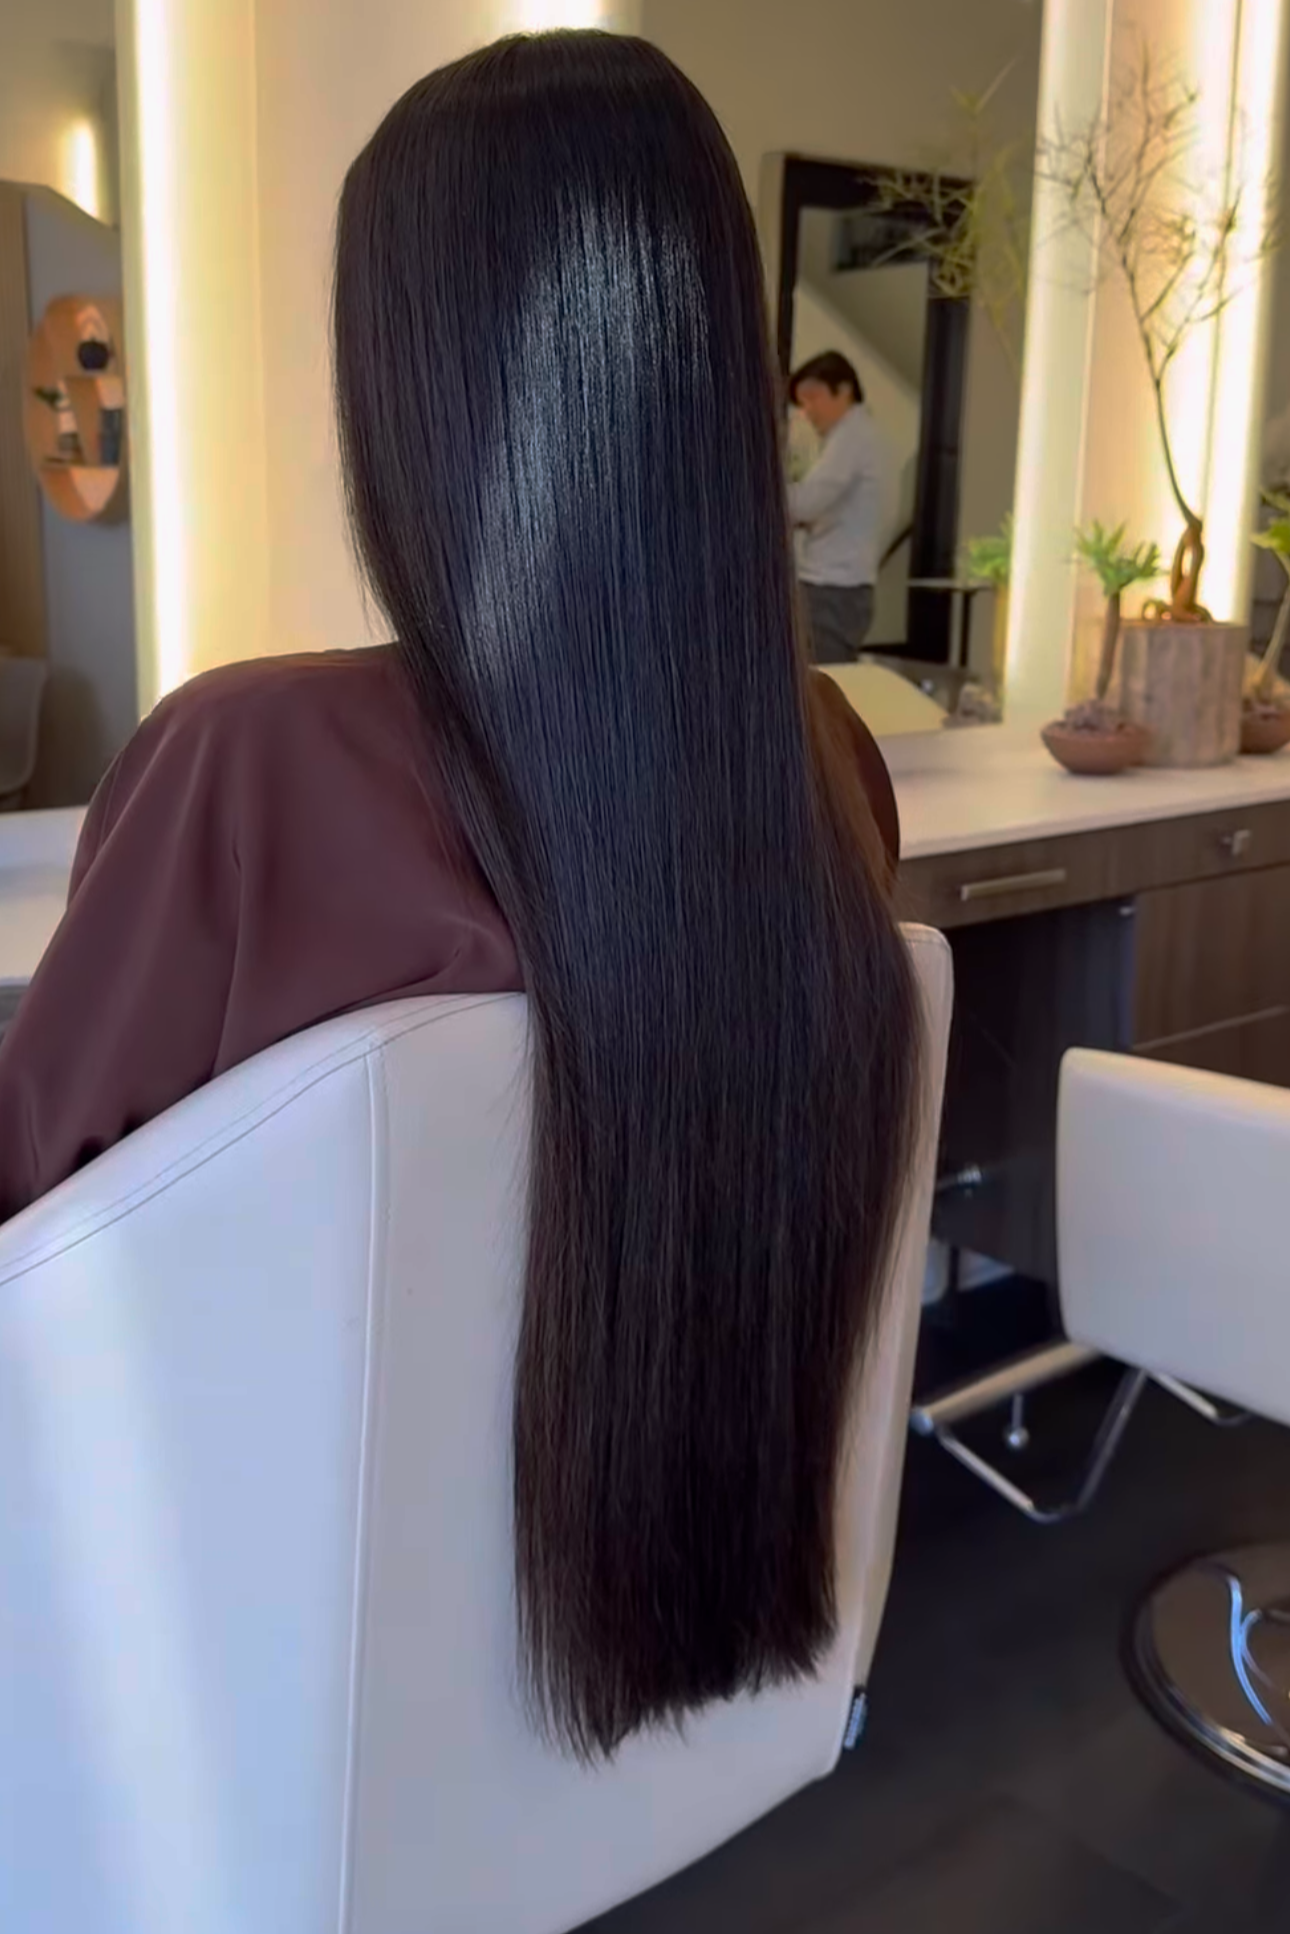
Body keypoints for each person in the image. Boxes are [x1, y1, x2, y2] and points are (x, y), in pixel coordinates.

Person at [0, 32, 919, 1758]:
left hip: (249, 1696)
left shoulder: (254, 767)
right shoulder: (824, 765)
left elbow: (31, 1222)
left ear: (407, 384)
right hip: (650, 1671)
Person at [789, 350, 897, 663]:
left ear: (845, 391)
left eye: (813, 397)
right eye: (802, 403)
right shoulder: (862, 435)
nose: (807, 411)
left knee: (818, 678)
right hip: (841, 586)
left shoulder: (853, 437)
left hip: (833, 589)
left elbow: (807, 503)